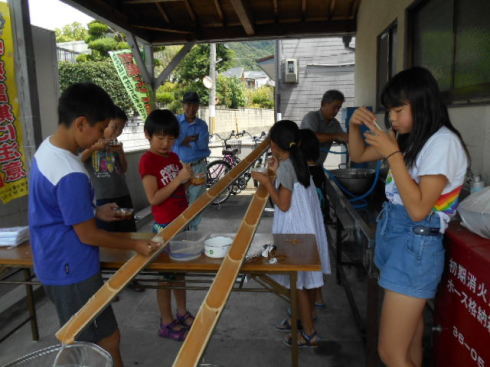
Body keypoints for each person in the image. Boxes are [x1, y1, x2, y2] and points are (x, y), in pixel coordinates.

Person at [28, 83, 160, 367]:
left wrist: (96, 211)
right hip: (72, 269)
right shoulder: (70, 171)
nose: (102, 137)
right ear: (81, 123)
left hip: (54, 262)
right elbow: (87, 235)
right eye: (101, 129)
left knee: (94, 337)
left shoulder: (47, 150)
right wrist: (135, 243)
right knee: (90, 342)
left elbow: (58, 211)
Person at [348, 67, 469, 367]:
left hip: (416, 244)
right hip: (397, 237)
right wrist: (353, 129)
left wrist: (393, 156)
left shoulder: (442, 143)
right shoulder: (410, 137)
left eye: (398, 110)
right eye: (390, 111)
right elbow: (360, 155)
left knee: (390, 352)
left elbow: (418, 210)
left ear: (422, 102)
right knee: (410, 341)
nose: (392, 118)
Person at [252, 120, 331, 348]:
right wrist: (275, 175)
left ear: (274, 145)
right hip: (304, 230)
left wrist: (267, 181)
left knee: (300, 286)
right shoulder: (296, 161)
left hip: (296, 233)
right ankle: (298, 320)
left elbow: (283, 205)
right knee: (300, 284)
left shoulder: (288, 167)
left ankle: (308, 333)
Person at [139, 109, 195, 341]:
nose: (166, 143)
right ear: (148, 135)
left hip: (181, 224)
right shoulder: (147, 160)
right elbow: (154, 198)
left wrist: (188, 182)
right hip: (164, 228)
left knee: (179, 274)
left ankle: (181, 313)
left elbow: (178, 190)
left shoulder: (173, 158)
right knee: (165, 278)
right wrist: (178, 180)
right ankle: (166, 321)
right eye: (160, 138)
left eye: (171, 138)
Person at [80, 106, 145, 293]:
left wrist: (121, 152)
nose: (117, 132)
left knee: (128, 236)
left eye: (121, 129)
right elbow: (78, 160)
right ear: (104, 124)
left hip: (122, 195)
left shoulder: (116, 144)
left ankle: (130, 277)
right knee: (106, 242)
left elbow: (123, 169)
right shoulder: (89, 144)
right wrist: (94, 148)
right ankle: (106, 285)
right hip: (102, 200)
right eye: (114, 127)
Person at [173, 92, 211, 231]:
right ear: (183, 105)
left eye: (194, 105)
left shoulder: (202, 125)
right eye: (188, 104)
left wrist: (183, 141)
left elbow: (202, 145)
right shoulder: (175, 122)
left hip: (197, 167)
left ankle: (193, 230)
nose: (191, 108)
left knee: (197, 201)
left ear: (198, 106)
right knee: (177, 199)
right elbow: (171, 141)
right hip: (178, 167)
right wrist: (186, 140)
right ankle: (178, 229)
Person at [299, 128, 327, 309]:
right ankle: (319, 297)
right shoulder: (319, 169)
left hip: (305, 225)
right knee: (317, 260)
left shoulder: (301, 174)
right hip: (318, 220)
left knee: (306, 266)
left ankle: (308, 304)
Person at [300, 89, 348, 166]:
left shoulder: (335, 123)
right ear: (324, 104)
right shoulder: (311, 117)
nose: (336, 111)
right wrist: (336, 136)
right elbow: (310, 138)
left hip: (318, 165)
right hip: (301, 166)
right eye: (334, 107)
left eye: (338, 108)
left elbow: (344, 138)